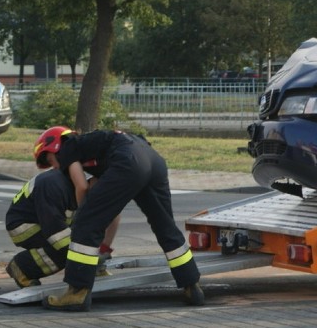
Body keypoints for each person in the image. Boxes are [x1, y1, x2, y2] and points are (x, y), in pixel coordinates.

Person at [32, 126, 203, 311]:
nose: (55, 167)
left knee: (86, 224)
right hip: (153, 161)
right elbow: (104, 190)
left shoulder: (68, 147)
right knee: (165, 225)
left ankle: (77, 292)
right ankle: (191, 285)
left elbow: (81, 187)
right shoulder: (98, 142)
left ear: (54, 146)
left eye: (51, 161)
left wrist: (82, 215)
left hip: (128, 161)